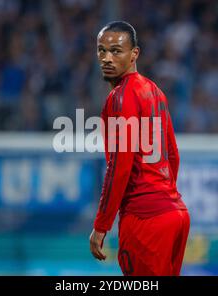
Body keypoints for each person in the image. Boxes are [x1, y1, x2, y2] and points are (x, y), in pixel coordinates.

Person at [89, 21, 190, 276]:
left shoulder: (121, 97)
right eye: (102, 50)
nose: (107, 58)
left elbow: (119, 165)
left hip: (145, 219)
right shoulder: (155, 92)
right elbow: (173, 156)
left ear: (134, 54)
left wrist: (102, 224)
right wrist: (165, 198)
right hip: (175, 215)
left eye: (116, 51)